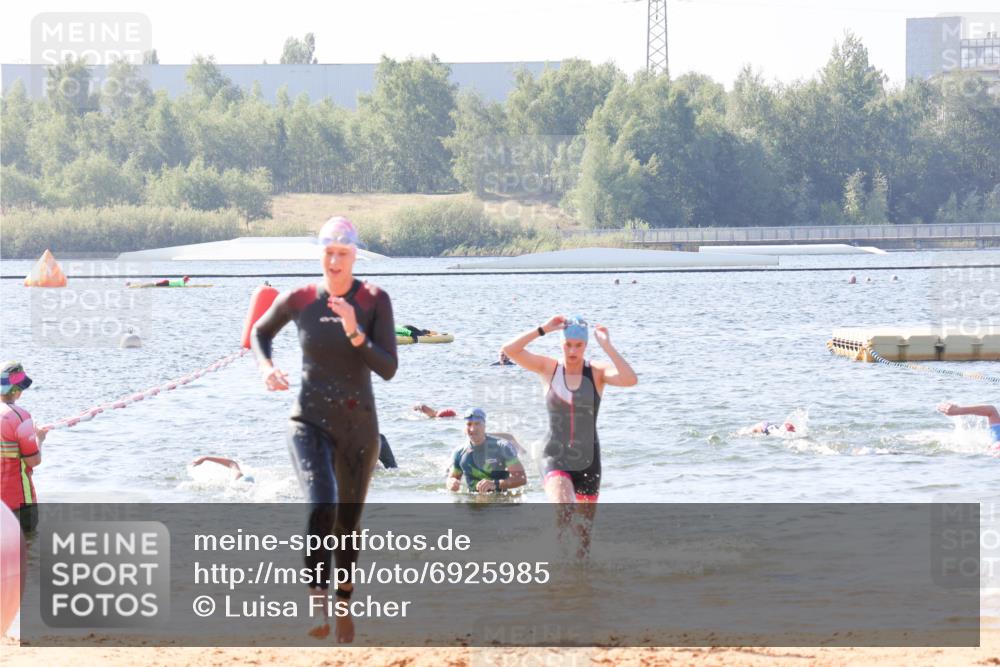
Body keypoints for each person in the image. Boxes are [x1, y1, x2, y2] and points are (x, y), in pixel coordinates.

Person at [251, 216, 397, 643]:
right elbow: (261, 332)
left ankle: (343, 603)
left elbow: (387, 367)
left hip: (359, 427)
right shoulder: (299, 299)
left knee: (348, 525)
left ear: (355, 256)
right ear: (319, 253)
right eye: (328, 253)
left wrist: (354, 332)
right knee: (322, 504)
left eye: (343, 254)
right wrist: (266, 367)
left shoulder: (374, 299)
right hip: (308, 421)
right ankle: (317, 608)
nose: (334, 261)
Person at [502, 315, 637, 555]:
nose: (572, 350)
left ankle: (576, 586)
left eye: (579, 345)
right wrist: (543, 329)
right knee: (564, 510)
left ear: (586, 346)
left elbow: (629, 379)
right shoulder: (548, 368)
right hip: (555, 453)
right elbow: (510, 350)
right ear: (561, 343)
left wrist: (607, 346)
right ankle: (553, 567)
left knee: (583, 540)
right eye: (568, 344)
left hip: (589, 459)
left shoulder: (596, 372)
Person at [1, 362, 45, 535]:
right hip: (20, 503)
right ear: (16, 390)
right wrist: (39, 439)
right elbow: (33, 461)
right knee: (27, 552)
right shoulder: (21, 416)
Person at [446, 409, 526, 494]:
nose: (472, 429)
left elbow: (521, 478)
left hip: (500, 501)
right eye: (469, 424)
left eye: (477, 424)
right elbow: (452, 478)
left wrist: (495, 484)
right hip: (473, 503)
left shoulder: (503, 447)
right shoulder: (459, 452)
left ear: (484, 426)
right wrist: (451, 483)